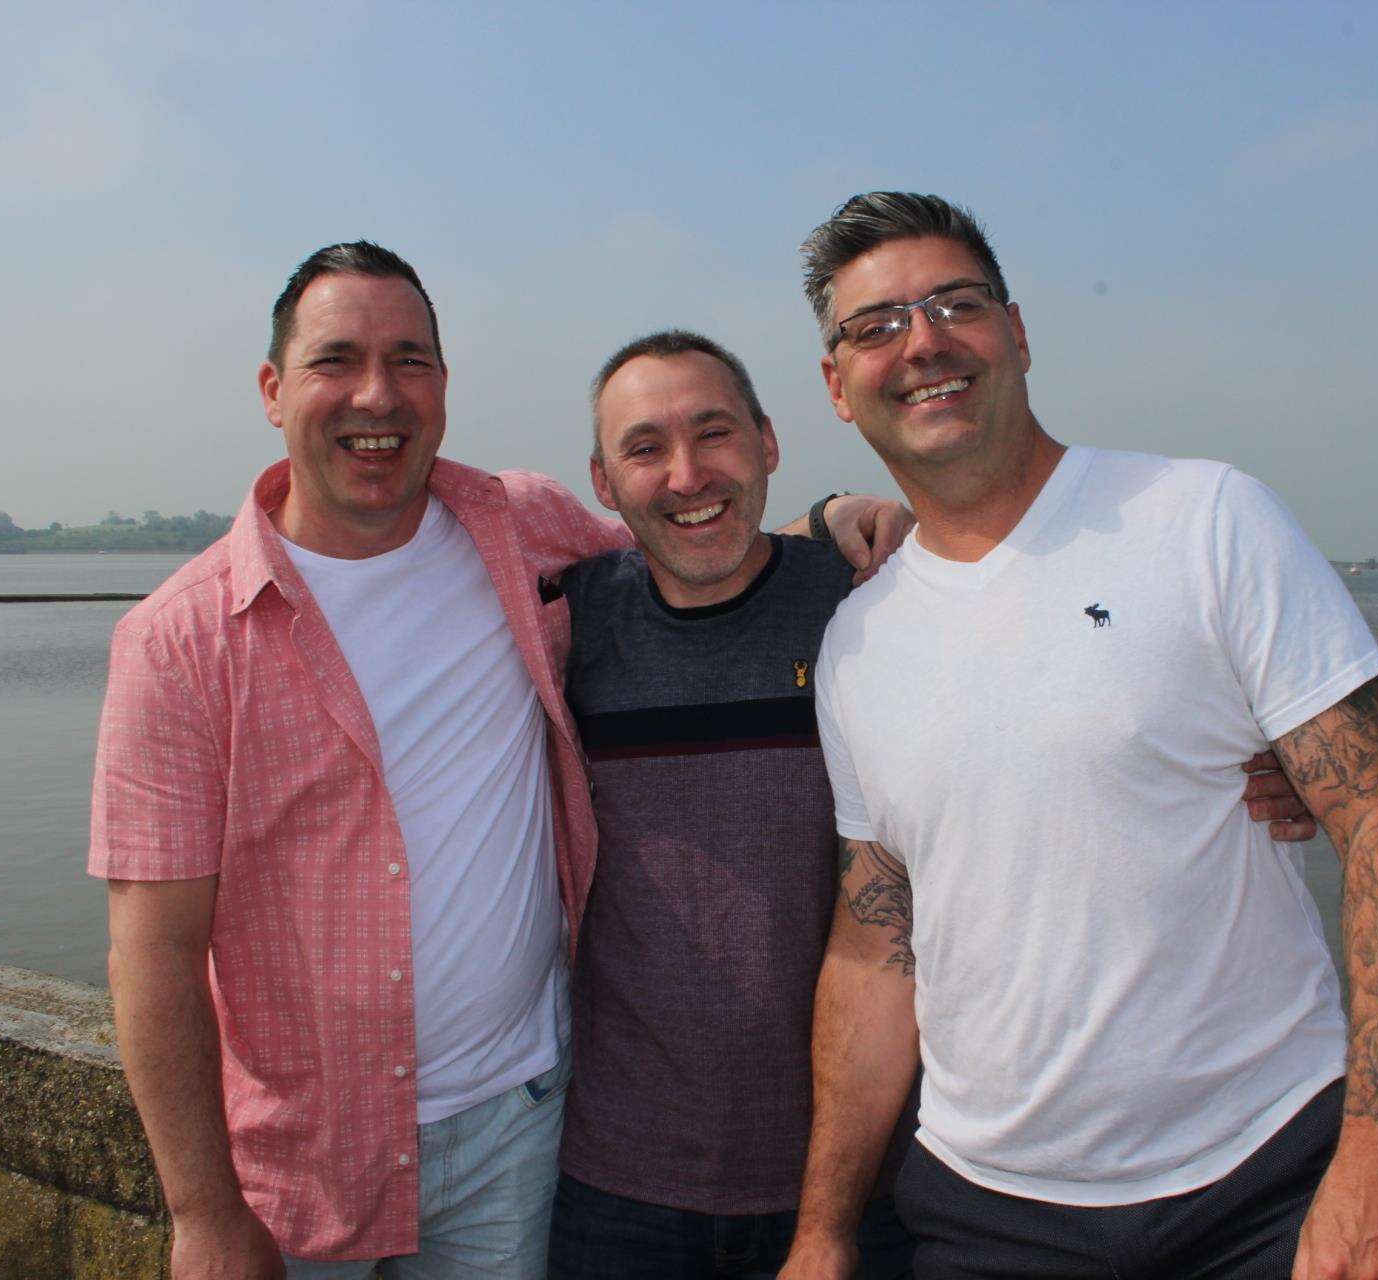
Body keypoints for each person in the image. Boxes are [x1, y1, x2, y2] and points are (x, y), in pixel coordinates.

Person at [90, 243, 894, 1280]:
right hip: (301, 1163)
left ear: (443, 386)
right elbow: (151, 952)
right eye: (338, 359)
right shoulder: (175, 642)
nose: (378, 394)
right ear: (272, 387)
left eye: (411, 360)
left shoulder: (514, 527)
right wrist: (200, 1207)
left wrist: (830, 520)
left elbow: (690, 532)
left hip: (517, 1126)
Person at [777, 194, 1378, 1280]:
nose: (923, 342)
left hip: (1269, 1179)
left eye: (955, 303)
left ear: (1016, 331)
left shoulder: (1205, 519)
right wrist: (823, 1229)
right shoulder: (856, 644)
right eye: (876, 324)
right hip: (986, 1211)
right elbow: (875, 945)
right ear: (836, 385)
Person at [543, 329, 1323, 1279]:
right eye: (644, 448)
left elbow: (1076, 697)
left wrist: (1256, 750)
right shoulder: (569, 626)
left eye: (714, 434)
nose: (686, 474)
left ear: (769, 443)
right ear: (600, 478)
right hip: (620, 1184)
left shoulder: (869, 605)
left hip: (865, 1179)